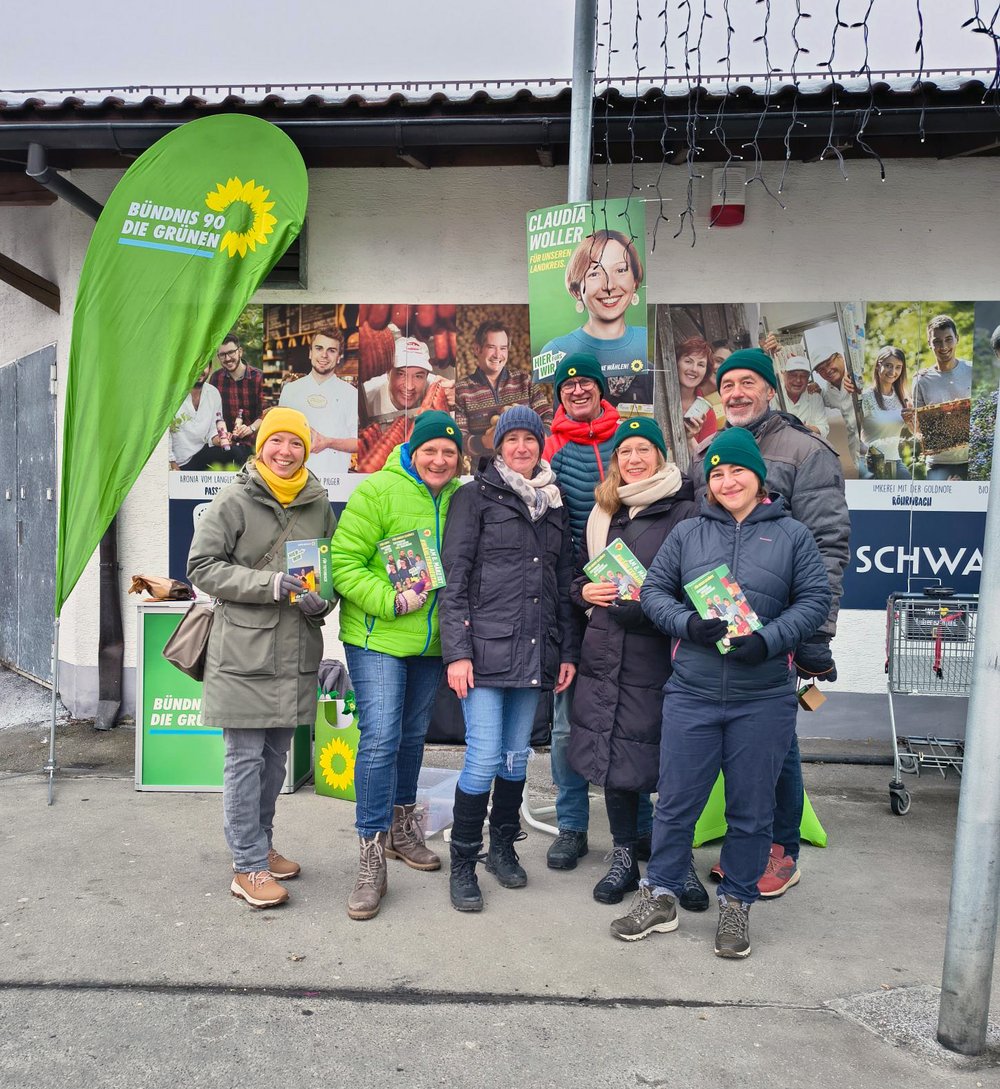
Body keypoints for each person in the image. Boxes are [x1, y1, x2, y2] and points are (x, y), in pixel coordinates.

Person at [610, 427, 831, 958]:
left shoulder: (793, 535)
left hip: (764, 696)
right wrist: (688, 625)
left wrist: (769, 640)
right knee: (676, 804)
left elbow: (815, 600)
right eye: (717, 473)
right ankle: (659, 895)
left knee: (752, 809)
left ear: (759, 477)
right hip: (693, 691)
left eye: (737, 471)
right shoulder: (689, 533)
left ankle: (737, 901)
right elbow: (655, 592)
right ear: (707, 482)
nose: (727, 480)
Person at [689, 347, 849, 899]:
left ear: (769, 390)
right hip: (716, 633)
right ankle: (745, 849)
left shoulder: (806, 452)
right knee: (738, 748)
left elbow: (827, 547)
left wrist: (816, 634)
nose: (735, 392)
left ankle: (782, 851)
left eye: (747, 383)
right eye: (726, 383)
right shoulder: (706, 452)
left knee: (776, 745)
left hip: (779, 632)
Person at [187, 408, 337, 909]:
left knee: (275, 762)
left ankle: (262, 846)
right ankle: (246, 866)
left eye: (295, 444)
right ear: (261, 446)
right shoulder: (235, 498)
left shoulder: (318, 504)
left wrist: (325, 600)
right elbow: (201, 567)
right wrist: (267, 584)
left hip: (295, 653)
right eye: (277, 442)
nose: (285, 452)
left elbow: (328, 570)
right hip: (243, 654)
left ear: (305, 450)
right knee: (245, 761)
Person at [439, 406, 578, 911]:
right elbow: (454, 581)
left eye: (530, 439)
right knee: (481, 757)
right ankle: (463, 860)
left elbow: (562, 586)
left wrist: (565, 653)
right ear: (497, 445)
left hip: (536, 651)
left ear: (543, 445)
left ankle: (501, 848)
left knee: (516, 757)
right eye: (512, 439)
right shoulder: (472, 497)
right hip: (483, 654)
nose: (522, 447)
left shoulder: (555, 505)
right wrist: (457, 653)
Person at [329, 410, 463, 921]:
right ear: (412, 449)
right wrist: (391, 600)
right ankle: (369, 852)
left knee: (411, 738)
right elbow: (344, 564)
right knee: (381, 736)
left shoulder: (460, 498)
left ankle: (402, 830)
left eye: (448, 452)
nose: (438, 459)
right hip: (378, 635)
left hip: (428, 643)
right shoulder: (377, 491)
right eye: (430, 450)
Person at [567, 418, 699, 906]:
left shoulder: (686, 510)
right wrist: (583, 591)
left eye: (644, 449)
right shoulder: (603, 511)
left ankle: (676, 859)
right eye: (625, 451)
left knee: (672, 763)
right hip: (604, 651)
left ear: (661, 457)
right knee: (615, 758)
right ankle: (623, 855)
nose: (634, 459)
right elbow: (576, 576)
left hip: (660, 652)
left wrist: (652, 604)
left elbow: (698, 580)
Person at [538, 230, 647, 376]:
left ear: (635, 281)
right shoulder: (555, 352)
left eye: (621, 270)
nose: (609, 286)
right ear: (577, 290)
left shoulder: (646, 341)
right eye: (594, 274)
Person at [453, 320, 553, 458]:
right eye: (491, 347)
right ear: (477, 349)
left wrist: (538, 435)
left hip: (527, 468)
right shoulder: (461, 390)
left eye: (503, 348)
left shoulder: (524, 380)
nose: (498, 354)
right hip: (486, 474)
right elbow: (458, 438)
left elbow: (549, 416)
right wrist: (485, 442)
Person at [278, 328, 359, 480]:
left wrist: (328, 442)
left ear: (339, 357)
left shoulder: (351, 394)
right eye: (319, 348)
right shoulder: (290, 390)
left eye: (331, 350)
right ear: (310, 353)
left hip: (334, 481)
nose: (324, 355)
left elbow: (358, 443)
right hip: (293, 479)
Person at [912, 314, 973, 480]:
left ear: (957, 339)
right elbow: (917, 429)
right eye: (937, 341)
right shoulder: (921, 380)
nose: (943, 346)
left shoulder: (972, 371)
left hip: (972, 459)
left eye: (948, 339)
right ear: (929, 344)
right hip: (937, 464)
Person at [208, 333, 265, 466]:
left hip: (252, 444)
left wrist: (251, 428)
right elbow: (211, 414)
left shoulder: (259, 377)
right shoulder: (216, 378)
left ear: (240, 351)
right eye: (222, 355)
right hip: (224, 444)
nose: (227, 358)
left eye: (231, 353)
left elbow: (266, 412)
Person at [861, 346, 913, 480]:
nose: (893, 371)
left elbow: (916, 432)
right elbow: (852, 435)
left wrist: (910, 421)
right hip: (870, 464)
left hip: (895, 461)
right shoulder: (865, 397)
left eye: (898, 367)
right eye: (888, 366)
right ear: (878, 366)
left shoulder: (903, 398)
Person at [363, 336, 442, 418]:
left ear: (426, 376)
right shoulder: (367, 397)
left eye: (418, 376)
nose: (409, 386)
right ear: (388, 373)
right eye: (401, 374)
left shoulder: (436, 389)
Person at [168, 364, 226, 470]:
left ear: (210, 369)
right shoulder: (172, 394)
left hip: (200, 454)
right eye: (194, 365)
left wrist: (220, 439)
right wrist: (172, 462)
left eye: (203, 365)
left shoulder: (213, 393)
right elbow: (164, 434)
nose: (199, 370)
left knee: (236, 452)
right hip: (179, 460)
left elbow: (213, 430)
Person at [812, 350, 861, 463]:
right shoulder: (830, 389)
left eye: (829, 363)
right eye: (821, 370)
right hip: (855, 446)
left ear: (840, 357)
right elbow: (826, 399)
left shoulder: (855, 375)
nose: (827, 370)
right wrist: (817, 390)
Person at [675, 336, 718, 452]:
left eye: (701, 365)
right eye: (688, 361)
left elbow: (706, 461)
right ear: (676, 363)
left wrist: (689, 438)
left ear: (706, 371)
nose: (694, 369)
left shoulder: (707, 413)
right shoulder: (659, 399)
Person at [781, 357, 829, 438]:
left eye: (803, 376)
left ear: (808, 379)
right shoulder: (773, 397)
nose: (798, 380)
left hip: (809, 446)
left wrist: (805, 428)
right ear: (784, 375)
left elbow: (824, 428)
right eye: (793, 375)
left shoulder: (815, 397)